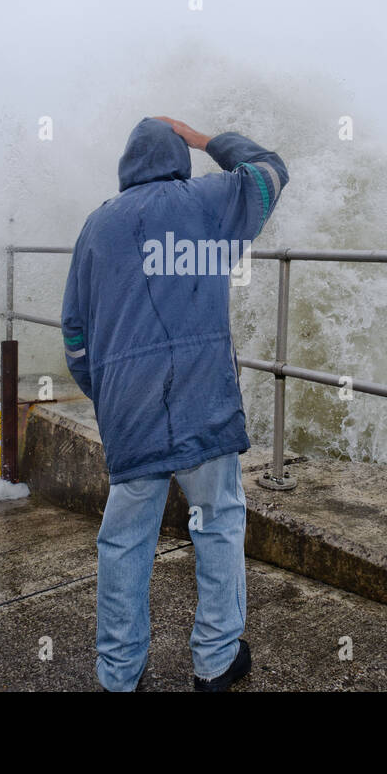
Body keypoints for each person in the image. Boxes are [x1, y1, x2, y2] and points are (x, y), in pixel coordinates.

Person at [60, 116, 289, 692]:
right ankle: (213, 662)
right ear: (177, 157)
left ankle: (119, 677)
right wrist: (206, 139)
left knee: (123, 542)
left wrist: (109, 393)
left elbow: (75, 335)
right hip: (202, 403)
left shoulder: (96, 226)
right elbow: (269, 171)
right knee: (216, 526)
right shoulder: (210, 201)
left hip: (130, 413)